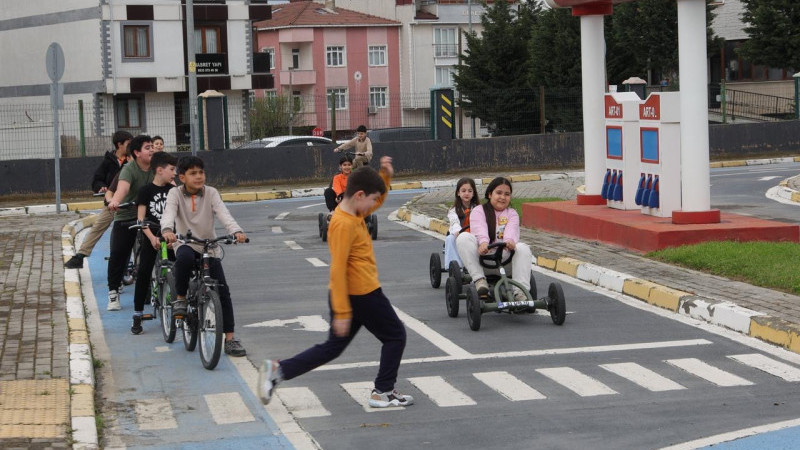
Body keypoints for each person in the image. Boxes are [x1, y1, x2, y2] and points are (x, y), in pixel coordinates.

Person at [258, 157, 414, 409]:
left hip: (355, 295)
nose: (375, 204)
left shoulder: (356, 210)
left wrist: (384, 176)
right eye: (373, 199)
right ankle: (383, 391)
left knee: (333, 347)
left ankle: (277, 370)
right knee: (396, 336)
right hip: (361, 294)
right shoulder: (342, 224)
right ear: (360, 194)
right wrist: (342, 312)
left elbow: (377, 198)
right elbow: (338, 270)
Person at [161, 156, 249, 357]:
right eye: (193, 173)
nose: (199, 176)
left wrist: (236, 231)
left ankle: (230, 339)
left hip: (209, 246)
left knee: (223, 291)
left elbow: (224, 214)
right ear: (182, 177)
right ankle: (181, 298)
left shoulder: (211, 192)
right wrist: (167, 230)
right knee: (183, 259)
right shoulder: (174, 194)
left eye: (201, 172)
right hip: (185, 242)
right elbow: (168, 214)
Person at [455, 177, 533, 301]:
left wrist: (510, 241)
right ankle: (480, 281)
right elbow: (480, 229)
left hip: (505, 262)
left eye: (507, 194)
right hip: (483, 262)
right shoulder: (478, 211)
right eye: (499, 193)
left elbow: (511, 231)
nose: (503, 197)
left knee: (523, 248)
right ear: (490, 194)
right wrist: (483, 243)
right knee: (463, 237)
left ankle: (520, 293)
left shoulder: (512, 213)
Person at [65, 130, 133, 269]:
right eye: (129, 144)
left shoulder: (134, 160)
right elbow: (97, 180)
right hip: (112, 203)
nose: (132, 147)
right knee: (98, 227)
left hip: (132, 203)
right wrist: (101, 187)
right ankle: (80, 256)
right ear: (119, 145)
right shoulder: (108, 162)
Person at [130, 151, 178, 335]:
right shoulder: (145, 191)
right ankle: (137, 313)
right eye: (172, 169)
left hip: (171, 237)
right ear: (159, 170)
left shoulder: (174, 191)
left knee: (181, 268)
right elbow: (141, 220)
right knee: (143, 272)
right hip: (152, 235)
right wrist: (151, 238)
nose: (174, 173)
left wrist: (174, 236)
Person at [106, 135, 155, 311]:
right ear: (136, 152)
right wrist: (115, 202)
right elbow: (122, 189)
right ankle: (113, 292)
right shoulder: (129, 169)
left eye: (152, 147)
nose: (152, 150)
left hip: (150, 215)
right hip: (127, 213)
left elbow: (170, 183)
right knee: (118, 253)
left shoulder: (157, 167)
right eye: (147, 147)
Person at [445, 178, 479, 269]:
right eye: (463, 191)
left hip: (473, 234)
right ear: (458, 193)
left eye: (470, 191)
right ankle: (455, 267)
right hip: (458, 234)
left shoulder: (478, 209)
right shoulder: (453, 210)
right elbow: (454, 222)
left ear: (473, 193)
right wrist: (458, 231)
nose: (467, 193)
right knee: (450, 238)